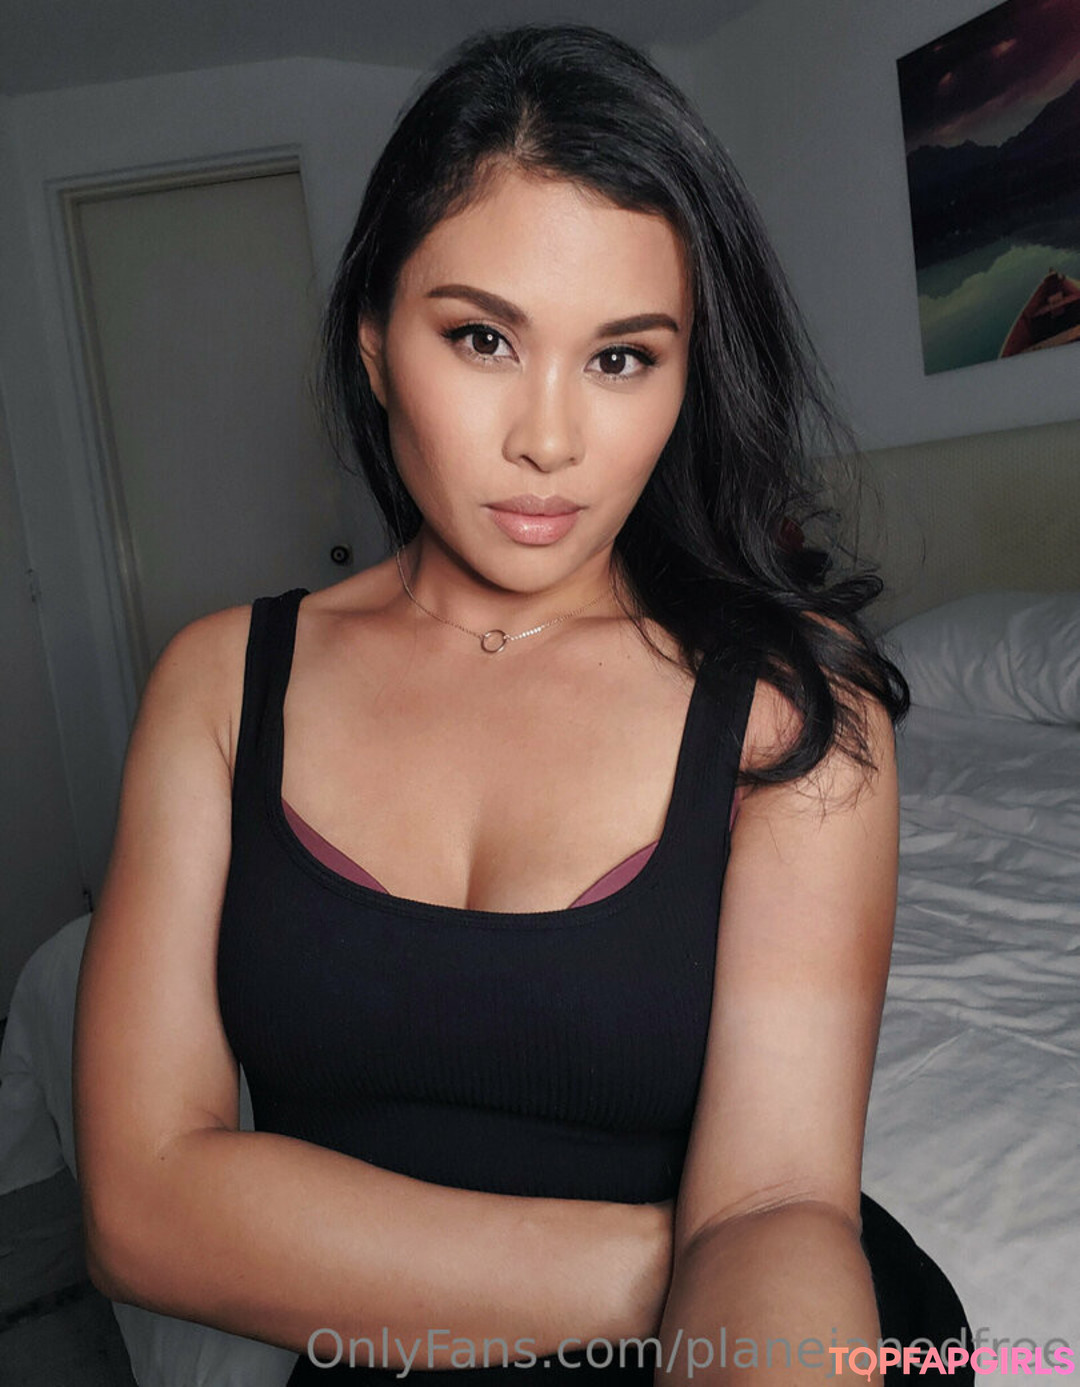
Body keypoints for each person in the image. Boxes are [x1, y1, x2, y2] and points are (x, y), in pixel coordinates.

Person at [72, 23, 974, 1387]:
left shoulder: (796, 701)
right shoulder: (218, 684)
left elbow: (779, 1207)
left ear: (688, 377)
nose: (549, 440)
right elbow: (140, 1210)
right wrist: (672, 1279)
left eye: (622, 358)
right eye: (483, 337)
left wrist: (738, 1311)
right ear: (375, 345)